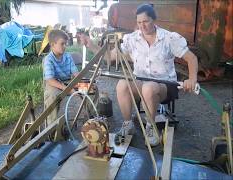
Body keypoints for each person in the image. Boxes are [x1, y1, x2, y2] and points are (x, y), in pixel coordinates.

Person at [78, 4, 198, 146]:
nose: (142, 26)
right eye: (139, 22)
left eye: (146, 21)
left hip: (165, 85)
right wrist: (90, 44)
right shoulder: (132, 39)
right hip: (140, 82)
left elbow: (192, 58)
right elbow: (109, 57)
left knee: (149, 87)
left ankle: (150, 127)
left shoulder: (168, 38)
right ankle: (128, 125)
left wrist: (192, 79)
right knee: (122, 84)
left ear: (154, 20)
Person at [43, 29, 79, 127]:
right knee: (52, 95)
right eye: (62, 44)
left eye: (65, 44)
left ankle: (93, 117)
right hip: (54, 83)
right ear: (53, 44)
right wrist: (67, 89)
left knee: (90, 88)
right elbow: (50, 80)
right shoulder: (48, 59)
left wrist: (81, 82)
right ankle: (51, 126)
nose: (65, 46)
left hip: (67, 81)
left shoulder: (67, 56)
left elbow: (75, 73)